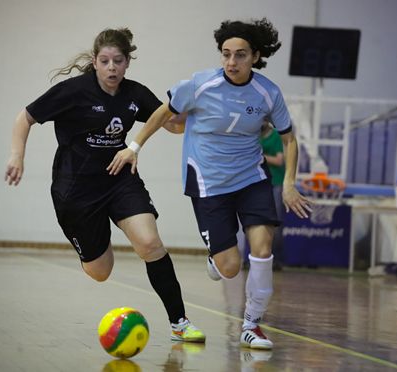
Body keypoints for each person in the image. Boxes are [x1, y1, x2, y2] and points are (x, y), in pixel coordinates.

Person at [108, 18, 312, 350]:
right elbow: (162, 113)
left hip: (251, 179)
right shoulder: (200, 85)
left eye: (241, 55)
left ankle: (252, 326)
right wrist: (134, 146)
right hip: (208, 182)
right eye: (226, 54)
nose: (232, 62)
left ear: (255, 56)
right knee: (229, 268)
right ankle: (215, 256)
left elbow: (289, 140)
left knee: (262, 250)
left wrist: (288, 184)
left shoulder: (268, 93)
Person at [4, 27, 205, 343]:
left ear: (127, 63)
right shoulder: (73, 91)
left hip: (118, 176)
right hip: (76, 190)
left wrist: (193, 107)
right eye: (105, 61)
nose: (112, 67)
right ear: (95, 63)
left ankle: (179, 322)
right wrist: (18, 156)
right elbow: (24, 118)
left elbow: (173, 125)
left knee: (151, 243)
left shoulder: (135, 94)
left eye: (118, 61)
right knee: (101, 272)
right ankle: (97, 238)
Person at [260, 121, 286, 271]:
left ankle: (277, 259)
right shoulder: (254, 135)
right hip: (259, 183)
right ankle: (257, 257)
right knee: (258, 223)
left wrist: (261, 156)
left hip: (275, 182)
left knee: (275, 223)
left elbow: (279, 160)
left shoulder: (275, 136)